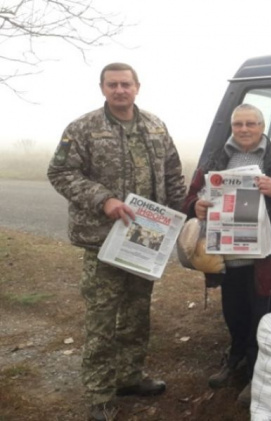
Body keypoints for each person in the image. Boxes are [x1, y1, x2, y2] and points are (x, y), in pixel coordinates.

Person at [47, 63, 186, 421]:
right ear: (102, 88)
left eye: (126, 84)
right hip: (102, 239)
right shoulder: (84, 128)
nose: (120, 90)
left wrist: (183, 218)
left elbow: (172, 174)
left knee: (137, 313)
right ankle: (100, 393)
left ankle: (129, 377)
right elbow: (60, 172)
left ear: (137, 87)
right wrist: (103, 199)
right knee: (103, 317)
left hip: (145, 238)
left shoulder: (155, 126)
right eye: (113, 85)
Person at [182, 103, 271, 405]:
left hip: (268, 258)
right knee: (235, 313)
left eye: (251, 124)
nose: (244, 129)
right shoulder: (216, 160)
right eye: (238, 124)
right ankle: (237, 359)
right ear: (232, 127)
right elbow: (190, 197)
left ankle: (259, 375)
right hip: (227, 257)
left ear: (262, 126)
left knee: (263, 317)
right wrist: (196, 206)